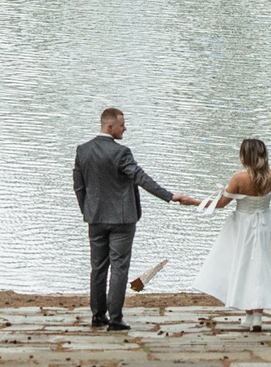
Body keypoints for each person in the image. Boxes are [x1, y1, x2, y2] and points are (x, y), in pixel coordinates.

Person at [73, 107, 200, 331]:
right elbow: (140, 178)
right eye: (122, 125)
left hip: (95, 218)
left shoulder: (83, 150)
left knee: (98, 267)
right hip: (122, 220)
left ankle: (97, 316)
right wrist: (169, 196)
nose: (126, 128)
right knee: (119, 268)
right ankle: (115, 318)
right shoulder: (121, 153)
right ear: (110, 126)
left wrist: (88, 210)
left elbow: (79, 187)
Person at [189, 132, 271, 322]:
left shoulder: (238, 179)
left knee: (245, 267)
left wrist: (190, 201)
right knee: (261, 268)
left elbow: (220, 204)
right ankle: (257, 316)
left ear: (244, 157)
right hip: (266, 224)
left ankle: (249, 314)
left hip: (243, 226)